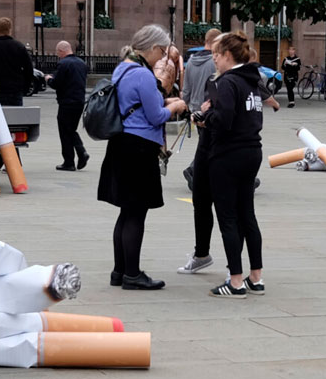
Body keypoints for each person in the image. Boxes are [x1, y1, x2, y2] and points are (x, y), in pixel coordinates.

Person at [97, 24, 188, 291]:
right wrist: (177, 106)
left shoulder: (122, 68)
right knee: (136, 213)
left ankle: (119, 271)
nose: (162, 57)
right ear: (151, 47)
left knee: (126, 212)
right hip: (139, 149)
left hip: (121, 144)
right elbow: (155, 116)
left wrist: (164, 105)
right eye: (161, 51)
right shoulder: (143, 76)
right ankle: (133, 275)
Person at [201, 33, 266, 297]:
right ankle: (256, 277)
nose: (214, 59)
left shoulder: (228, 82)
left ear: (228, 55)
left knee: (228, 217)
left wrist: (205, 116)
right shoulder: (253, 81)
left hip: (228, 154)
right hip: (252, 151)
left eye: (216, 54)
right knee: (247, 214)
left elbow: (224, 119)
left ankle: (235, 281)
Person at [176, 29, 222, 276]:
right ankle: (194, 171)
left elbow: (184, 92)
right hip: (209, 114)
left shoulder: (191, 61)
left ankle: (196, 171)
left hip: (195, 109)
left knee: (204, 149)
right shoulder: (216, 67)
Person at [47, 40, 89, 171]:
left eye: (58, 53)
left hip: (66, 102)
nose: (58, 55)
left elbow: (56, 83)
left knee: (65, 132)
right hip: (79, 101)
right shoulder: (82, 64)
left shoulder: (63, 64)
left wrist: (48, 79)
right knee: (71, 129)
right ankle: (81, 153)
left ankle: (69, 161)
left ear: (61, 51)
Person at [0, 17, 35, 107]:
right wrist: (25, 88)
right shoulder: (18, 47)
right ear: (10, 29)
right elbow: (29, 69)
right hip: (14, 90)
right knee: (14, 118)